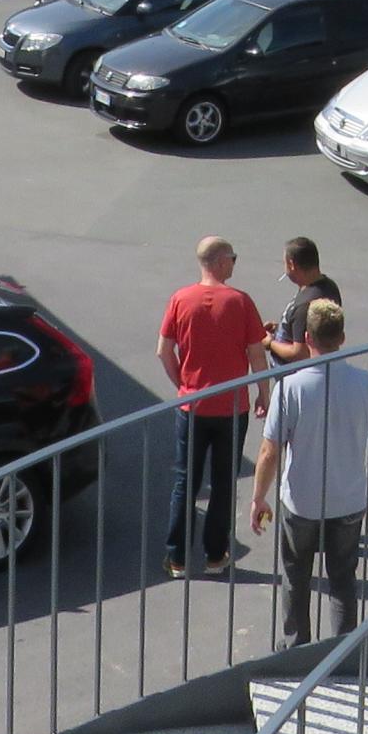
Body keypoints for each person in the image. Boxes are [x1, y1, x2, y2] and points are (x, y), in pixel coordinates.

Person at [247, 300, 368, 643]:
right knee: (342, 579)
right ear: (342, 338)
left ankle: (296, 649)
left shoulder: (290, 388)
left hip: (302, 501)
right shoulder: (367, 383)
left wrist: (258, 498)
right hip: (349, 499)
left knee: (296, 576)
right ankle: (343, 651)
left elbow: (269, 451)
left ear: (308, 338)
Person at [157, 235, 266, 575]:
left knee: (185, 482)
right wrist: (264, 393)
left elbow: (164, 351)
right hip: (232, 408)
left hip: (192, 408)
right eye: (233, 257)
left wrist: (183, 384)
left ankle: (177, 559)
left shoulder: (180, 299)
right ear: (220, 262)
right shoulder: (240, 302)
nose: (234, 262)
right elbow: (257, 354)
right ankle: (216, 556)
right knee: (223, 483)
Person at [262, 235, 340, 365]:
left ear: (291, 264)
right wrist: (281, 329)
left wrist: (270, 343)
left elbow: (299, 353)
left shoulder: (304, 305)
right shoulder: (329, 286)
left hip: (290, 373)